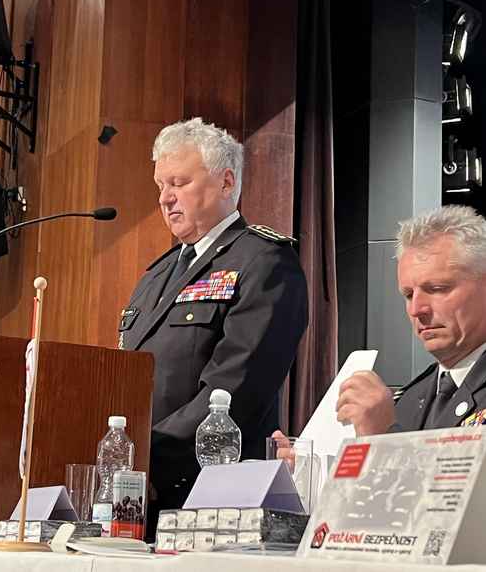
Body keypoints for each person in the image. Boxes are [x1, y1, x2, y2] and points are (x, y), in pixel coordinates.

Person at [119, 117, 308, 514]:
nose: (165, 198)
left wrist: (145, 454)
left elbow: (235, 389)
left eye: (179, 183)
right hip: (138, 490)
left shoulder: (264, 261)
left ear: (226, 182)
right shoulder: (156, 275)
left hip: (211, 494)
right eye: (160, 186)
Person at [336, 205, 486, 435]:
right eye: (408, 295)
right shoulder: (407, 399)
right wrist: (310, 458)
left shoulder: (388, 415)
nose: (416, 309)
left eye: (437, 289)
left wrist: (383, 437)